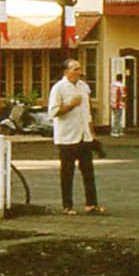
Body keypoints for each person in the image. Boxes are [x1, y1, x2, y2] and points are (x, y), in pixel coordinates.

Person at [49, 58, 105, 215]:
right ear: (66, 71)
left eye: (80, 68)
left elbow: (87, 112)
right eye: (75, 69)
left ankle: (91, 204)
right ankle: (67, 205)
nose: (79, 72)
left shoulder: (84, 87)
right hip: (67, 137)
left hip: (83, 135)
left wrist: (92, 133)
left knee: (88, 172)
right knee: (67, 173)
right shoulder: (58, 88)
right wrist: (70, 105)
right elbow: (53, 112)